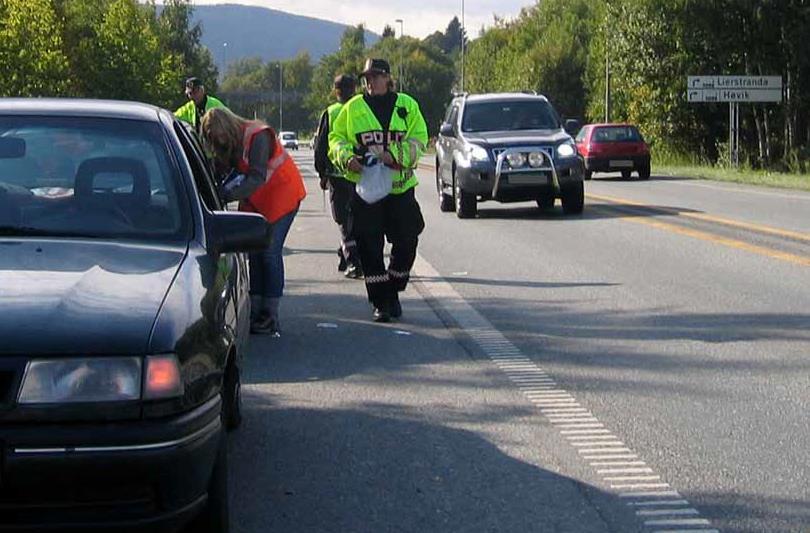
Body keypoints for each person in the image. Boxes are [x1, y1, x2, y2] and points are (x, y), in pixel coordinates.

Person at [328, 58, 428, 323]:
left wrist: (393, 154)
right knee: (369, 246)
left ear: (387, 78)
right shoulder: (353, 109)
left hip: (400, 188)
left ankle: (393, 288)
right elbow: (336, 140)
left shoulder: (407, 105)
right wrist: (346, 157)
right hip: (366, 191)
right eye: (367, 77)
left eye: (376, 76)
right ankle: (380, 302)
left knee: (407, 240)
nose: (370, 82)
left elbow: (419, 140)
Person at [200, 108, 306, 336]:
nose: (218, 143)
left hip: (282, 195)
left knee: (269, 253)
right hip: (258, 201)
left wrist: (225, 196)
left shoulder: (258, 136)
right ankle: (256, 309)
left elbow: (257, 176)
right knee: (255, 255)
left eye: (218, 137)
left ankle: (269, 315)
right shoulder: (234, 143)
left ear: (227, 128)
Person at [314, 73, 363, 279]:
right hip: (360, 174)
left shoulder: (331, 112)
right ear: (355, 89)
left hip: (337, 175)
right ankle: (346, 254)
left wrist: (322, 173)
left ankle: (353, 262)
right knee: (356, 218)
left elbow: (321, 145)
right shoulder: (362, 109)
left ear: (336, 91)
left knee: (343, 220)